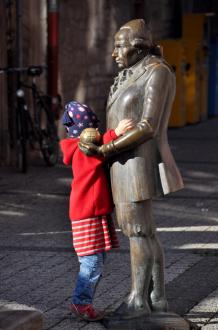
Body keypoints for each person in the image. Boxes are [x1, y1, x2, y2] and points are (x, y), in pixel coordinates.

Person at [79, 19, 184, 319]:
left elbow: (148, 125)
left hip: (137, 164)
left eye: (119, 46)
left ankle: (139, 301)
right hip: (123, 164)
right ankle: (157, 298)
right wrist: (99, 140)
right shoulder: (133, 71)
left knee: (139, 232)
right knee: (144, 232)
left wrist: (105, 149)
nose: (114, 53)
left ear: (138, 47)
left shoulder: (157, 72)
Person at [60, 100, 134, 321]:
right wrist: (116, 133)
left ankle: (83, 303)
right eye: (93, 129)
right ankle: (81, 303)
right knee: (91, 261)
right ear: (85, 134)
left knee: (97, 258)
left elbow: (98, 148)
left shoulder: (81, 148)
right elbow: (99, 150)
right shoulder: (83, 151)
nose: (98, 132)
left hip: (91, 211)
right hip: (87, 213)